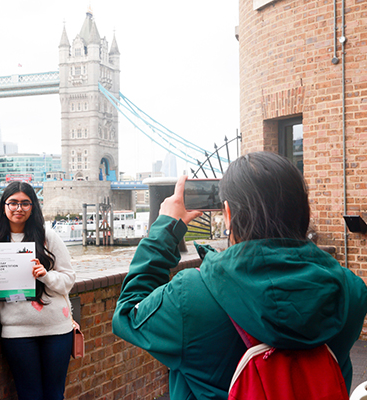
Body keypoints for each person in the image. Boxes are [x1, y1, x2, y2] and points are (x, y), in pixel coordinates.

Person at [112, 151, 367, 399]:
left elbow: (129, 312)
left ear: (229, 214)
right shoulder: (351, 291)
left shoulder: (190, 296)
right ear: (304, 210)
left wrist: (165, 227)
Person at [0, 181, 76, 400]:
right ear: (4, 206)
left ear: (33, 206)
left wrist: (45, 275)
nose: (19, 208)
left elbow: (68, 279)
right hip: (18, 332)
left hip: (56, 328)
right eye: (13, 203)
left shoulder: (48, 236)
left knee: (55, 395)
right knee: (29, 395)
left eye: (25, 203)